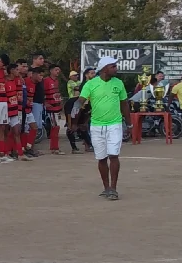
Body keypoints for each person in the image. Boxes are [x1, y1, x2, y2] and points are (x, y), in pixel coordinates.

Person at [71, 56, 128, 200]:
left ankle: (113, 189)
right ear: (104, 69)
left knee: (113, 155)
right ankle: (106, 188)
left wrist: (129, 123)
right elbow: (80, 101)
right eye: (113, 66)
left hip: (114, 124)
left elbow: (124, 104)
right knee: (101, 158)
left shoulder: (119, 83)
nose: (116, 68)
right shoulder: (91, 84)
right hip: (96, 126)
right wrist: (74, 116)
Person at [43, 64, 65, 153]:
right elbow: (42, 92)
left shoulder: (56, 81)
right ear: (51, 71)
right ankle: (54, 148)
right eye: (56, 70)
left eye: (58, 70)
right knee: (55, 127)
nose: (58, 72)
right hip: (51, 108)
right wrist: (45, 103)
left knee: (56, 127)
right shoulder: (46, 81)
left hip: (57, 107)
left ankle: (54, 147)